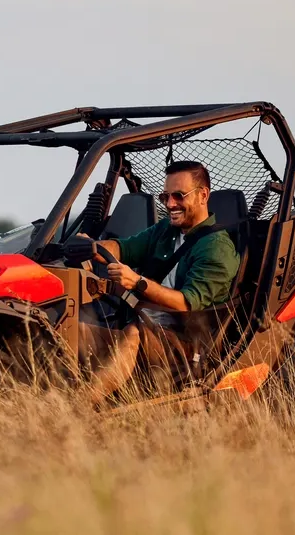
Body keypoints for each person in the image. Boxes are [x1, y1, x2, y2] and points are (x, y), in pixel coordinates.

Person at [82, 160, 241, 406]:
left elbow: (186, 302)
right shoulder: (167, 229)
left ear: (203, 195)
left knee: (133, 335)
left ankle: (78, 409)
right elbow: (124, 248)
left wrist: (137, 282)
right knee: (75, 330)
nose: (170, 204)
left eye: (179, 196)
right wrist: (90, 247)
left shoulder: (217, 248)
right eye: (165, 196)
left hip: (187, 347)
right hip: (145, 324)